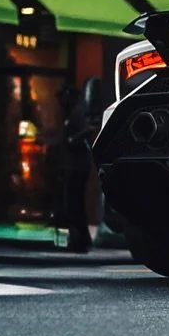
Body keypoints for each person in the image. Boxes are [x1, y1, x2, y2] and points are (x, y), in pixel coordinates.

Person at [57, 82, 95, 253]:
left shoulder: (77, 111)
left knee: (74, 204)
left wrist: (74, 139)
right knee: (73, 204)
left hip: (77, 167)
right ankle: (80, 239)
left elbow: (90, 128)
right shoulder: (71, 113)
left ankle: (79, 240)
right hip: (73, 165)